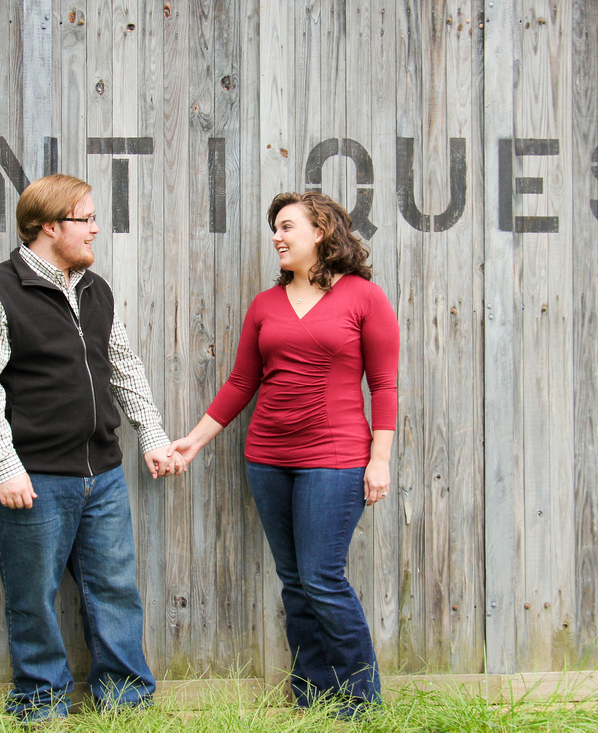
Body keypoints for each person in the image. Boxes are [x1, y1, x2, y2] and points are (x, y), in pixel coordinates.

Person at [0, 174, 180, 724]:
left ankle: (125, 699)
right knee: (34, 596)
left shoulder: (94, 289)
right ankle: (42, 702)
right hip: (34, 478)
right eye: (87, 219)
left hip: (101, 472)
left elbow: (122, 366)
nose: (97, 230)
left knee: (115, 589)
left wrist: (150, 434)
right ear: (50, 226)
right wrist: (5, 468)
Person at [168, 191, 398, 717]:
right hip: (268, 456)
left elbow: (384, 386)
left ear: (321, 232)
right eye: (275, 227)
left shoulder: (364, 297)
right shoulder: (265, 304)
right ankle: (314, 695)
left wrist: (379, 459)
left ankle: (361, 701)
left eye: (287, 226)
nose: (277, 235)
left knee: (322, 577)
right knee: (294, 582)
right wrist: (194, 440)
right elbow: (242, 381)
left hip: (335, 456)